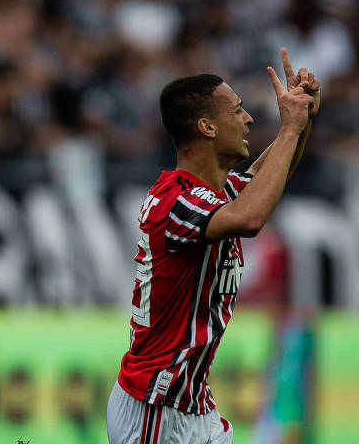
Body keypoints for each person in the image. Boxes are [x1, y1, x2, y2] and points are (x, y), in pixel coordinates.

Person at [106, 48, 320, 444]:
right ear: (207, 127)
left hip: (195, 404)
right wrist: (288, 130)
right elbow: (250, 218)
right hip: (156, 406)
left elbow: (267, 179)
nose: (249, 119)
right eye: (237, 110)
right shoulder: (177, 201)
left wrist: (300, 121)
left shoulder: (210, 193)